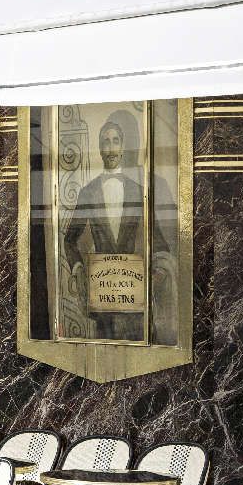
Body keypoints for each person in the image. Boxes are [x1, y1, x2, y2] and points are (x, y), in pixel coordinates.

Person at [61, 111, 174, 341]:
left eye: (116, 141)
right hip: (101, 295)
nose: (111, 148)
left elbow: (159, 238)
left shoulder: (139, 190)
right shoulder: (87, 192)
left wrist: (159, 271)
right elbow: (69, 239)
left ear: (122, 147)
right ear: (100, 149)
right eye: (106, 142)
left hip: (134, 294)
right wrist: (79, 269)